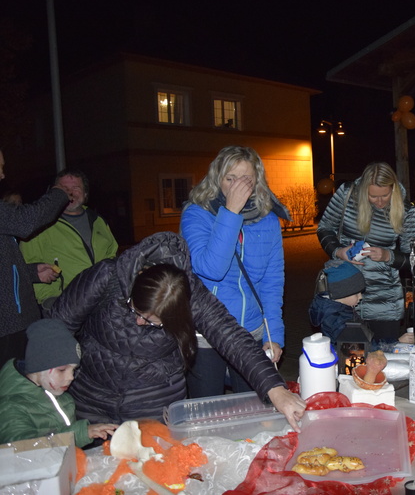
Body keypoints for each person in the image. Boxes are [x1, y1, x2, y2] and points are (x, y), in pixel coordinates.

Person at [48, 231, 306, 431]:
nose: (140, 322)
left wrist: (276, 389)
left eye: (154, 322)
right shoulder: (107, 277)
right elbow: (56, 326)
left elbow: (233, 338)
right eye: (136, 310)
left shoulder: (191, 296)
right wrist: (51, 370)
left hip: (151, 405)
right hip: (91, 401)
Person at [181, 146, 289, 398]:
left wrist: (274, 334)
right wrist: (230, 212)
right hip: (205, 334)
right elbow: (212, 269)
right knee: (207, 410)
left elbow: (272, 281)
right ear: (217, 178)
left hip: (250, 332)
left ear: (256, 180)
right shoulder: (196, 213)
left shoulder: (267, 219)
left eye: (246, 179)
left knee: (251, 407)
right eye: (230, 178)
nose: (238, 186)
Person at [317, 162, 415, 340]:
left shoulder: (405, 209)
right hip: (344, 294)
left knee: (385, 352)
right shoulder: (347, 194)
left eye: (385, 195)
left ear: (393, 188)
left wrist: (388, 256)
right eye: (373, 196)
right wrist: (338, 251)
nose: (380, 202)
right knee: (348, 353)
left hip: (384, 299)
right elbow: (325, 227)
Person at [0, 149, 70, 366]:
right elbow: (26, 222)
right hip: (7, 325)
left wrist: (31, 272)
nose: (2, 174)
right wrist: (58, 193)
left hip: (14, 322)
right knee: (13, 382)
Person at [0, 319, 117, 447]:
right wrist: (79, 434)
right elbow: (21, 448)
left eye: (73, 370)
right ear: (38, 367)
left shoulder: (64, 400)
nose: (71, 377)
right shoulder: (10, 406)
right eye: (61, 370)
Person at [21, 168, 118, 311]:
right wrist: (49, 300)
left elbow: (112, 255)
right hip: (65, 305)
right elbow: (29, 264)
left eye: (76, 188)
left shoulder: (98, 220)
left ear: (85, 194)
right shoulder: (40, 224)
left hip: (102, 301)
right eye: (64, 188)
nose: (70, 193)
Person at [309, 262, 366, 343]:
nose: (360, 297)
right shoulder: (337, 320)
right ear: (341, 294)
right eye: (356, 294)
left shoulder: (341, 310)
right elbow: (354, 345)